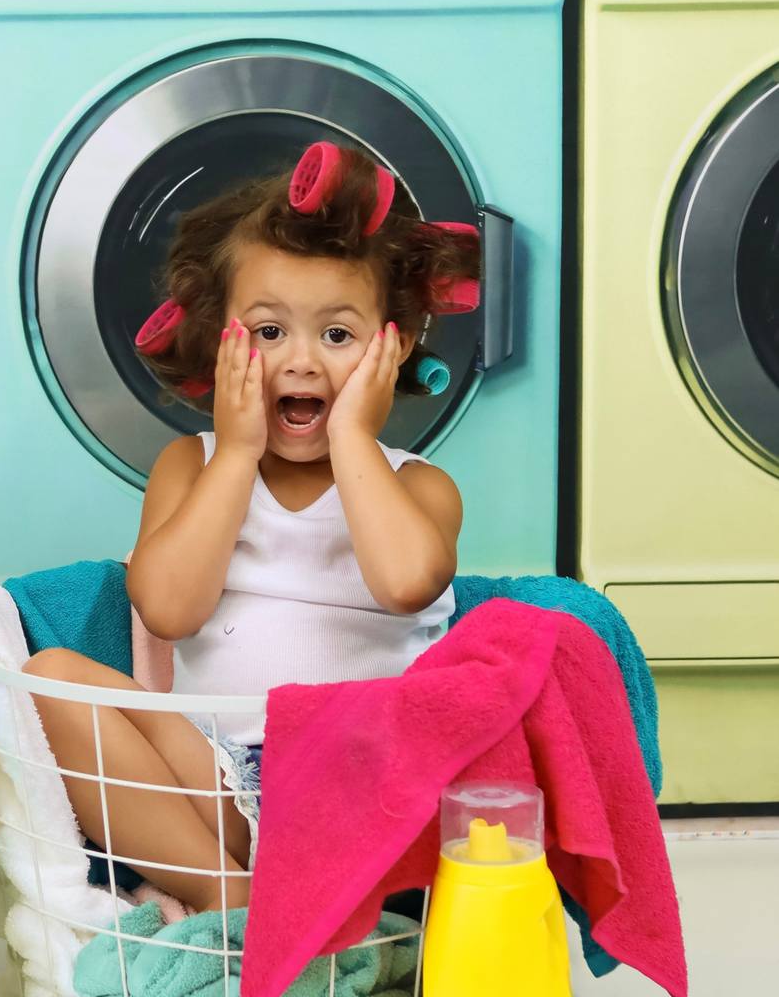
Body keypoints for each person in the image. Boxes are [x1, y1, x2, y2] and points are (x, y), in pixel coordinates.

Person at [26, 141, 480, 914]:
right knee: (49, 680)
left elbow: (407, 583)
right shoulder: (191, 465)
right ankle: (227, 901)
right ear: (217, 338)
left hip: (361, 798)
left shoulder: (415, 485)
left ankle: (272, 906)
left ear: (391, 347)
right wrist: (234, 453)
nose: (300, 362)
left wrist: (352, 440)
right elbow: (168, 610)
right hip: (220, 782)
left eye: (337, 337)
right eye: (268, 333)